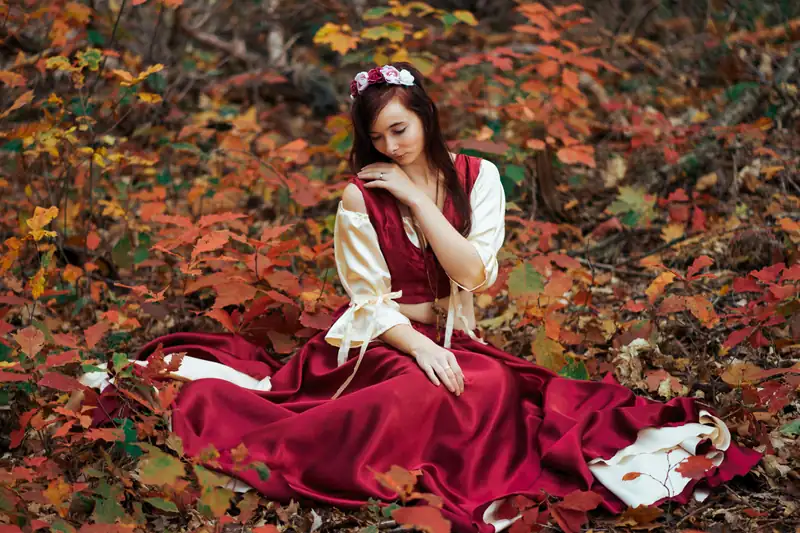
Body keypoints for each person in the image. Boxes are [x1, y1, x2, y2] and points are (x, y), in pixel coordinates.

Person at [79, 63, 761, 532]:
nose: (389, 147)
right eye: (377, 139)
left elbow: (476, 276)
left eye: (400, 131)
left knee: (489, 385)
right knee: (426, 390)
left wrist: (415, 198)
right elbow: (369, 304)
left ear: (426, 118)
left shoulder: (478, 178)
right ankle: (331, 455)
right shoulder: (357, 198)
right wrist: (416, 335)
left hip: (455, 333)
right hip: (375, 346)